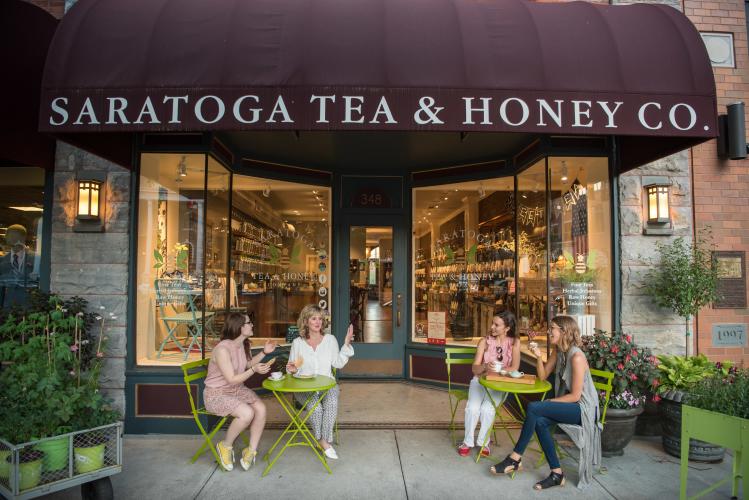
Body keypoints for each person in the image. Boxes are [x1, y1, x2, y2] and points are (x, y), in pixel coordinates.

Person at [490, 315, 601, 490]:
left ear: (564, 331)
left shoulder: (576, 357)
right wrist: (537, 356)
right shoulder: (559, 351)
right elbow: (542, 376)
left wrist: (551, 401)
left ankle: (514, 458)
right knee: (540, 422)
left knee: (534, 408)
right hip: (571, 406)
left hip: (583, 409)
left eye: (553, 328)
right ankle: (557, 474)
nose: (549, 331)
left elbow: (576, 396)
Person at [204, 312, 276, 471]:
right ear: (239, 327)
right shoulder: (222, 349)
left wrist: (264, 353)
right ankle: (225, 446)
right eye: (249, 323)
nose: (252, 325)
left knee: (261, 408)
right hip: (217, 394)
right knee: (247, 413)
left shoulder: (244, 344)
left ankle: (251, 450)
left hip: (236, 390)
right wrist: (254, 370)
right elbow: (231, 378)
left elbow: (247, 364)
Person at [286, 304, 354, 460]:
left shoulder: (330, 340)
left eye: (320, 319)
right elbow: (292, 368)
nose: (318, 322)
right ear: (305, 321)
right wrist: (294, 370)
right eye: (313, 318)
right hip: (304, 387)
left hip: (327, 384)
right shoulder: (298, 343)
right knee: (315, 409)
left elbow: (337, 363)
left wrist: (346, 344)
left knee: (331, 403)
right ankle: (323, 442)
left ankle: (323, 440)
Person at [457, 310, 520, 458]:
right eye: (492, 323)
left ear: (507, 328)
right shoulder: (484, 341)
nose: (492, 327)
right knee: (472, 408)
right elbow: (475, 368)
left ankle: (484, 442)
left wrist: (500, 371)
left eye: (496, 325)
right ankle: (467, 442)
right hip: (480, 381)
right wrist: (486, 367)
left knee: (487, 409)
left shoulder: (514, 343)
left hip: (499, 384)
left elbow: (515, 367)